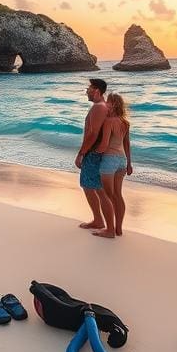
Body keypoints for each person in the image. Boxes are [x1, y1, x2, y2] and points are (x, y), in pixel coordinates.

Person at [75, 77, 115, 236]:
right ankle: (98, 220)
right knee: (89, 186)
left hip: (94, 153)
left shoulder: (99, 107)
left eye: (89, 89)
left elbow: (93, 133)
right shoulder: (103, 106)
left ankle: (108, 228)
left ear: (97, 91)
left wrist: (82, 153)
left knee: (98, 189)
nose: (87, 91)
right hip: (97, 152)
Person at [96, 93, 132, 237]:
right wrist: (129, 163)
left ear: (113, 104)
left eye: (107, 102)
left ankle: (109, 231)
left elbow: (104, 145)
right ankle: (119, 229)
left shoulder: (109, 122)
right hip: (122, 161)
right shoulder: (125, 122)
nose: (105, 104)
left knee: (106, 195)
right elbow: (127, 144)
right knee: (118, 195)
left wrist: (90, 154)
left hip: (109, 160)